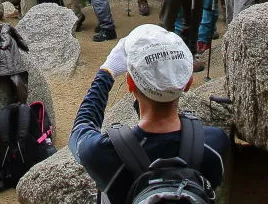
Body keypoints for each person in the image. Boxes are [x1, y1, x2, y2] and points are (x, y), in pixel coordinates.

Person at [69, 24, 229, 204]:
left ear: (130, 83)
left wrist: (107, 71)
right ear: (188, 82)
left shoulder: (101, 152)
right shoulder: (214, 142)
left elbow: (82, 126)